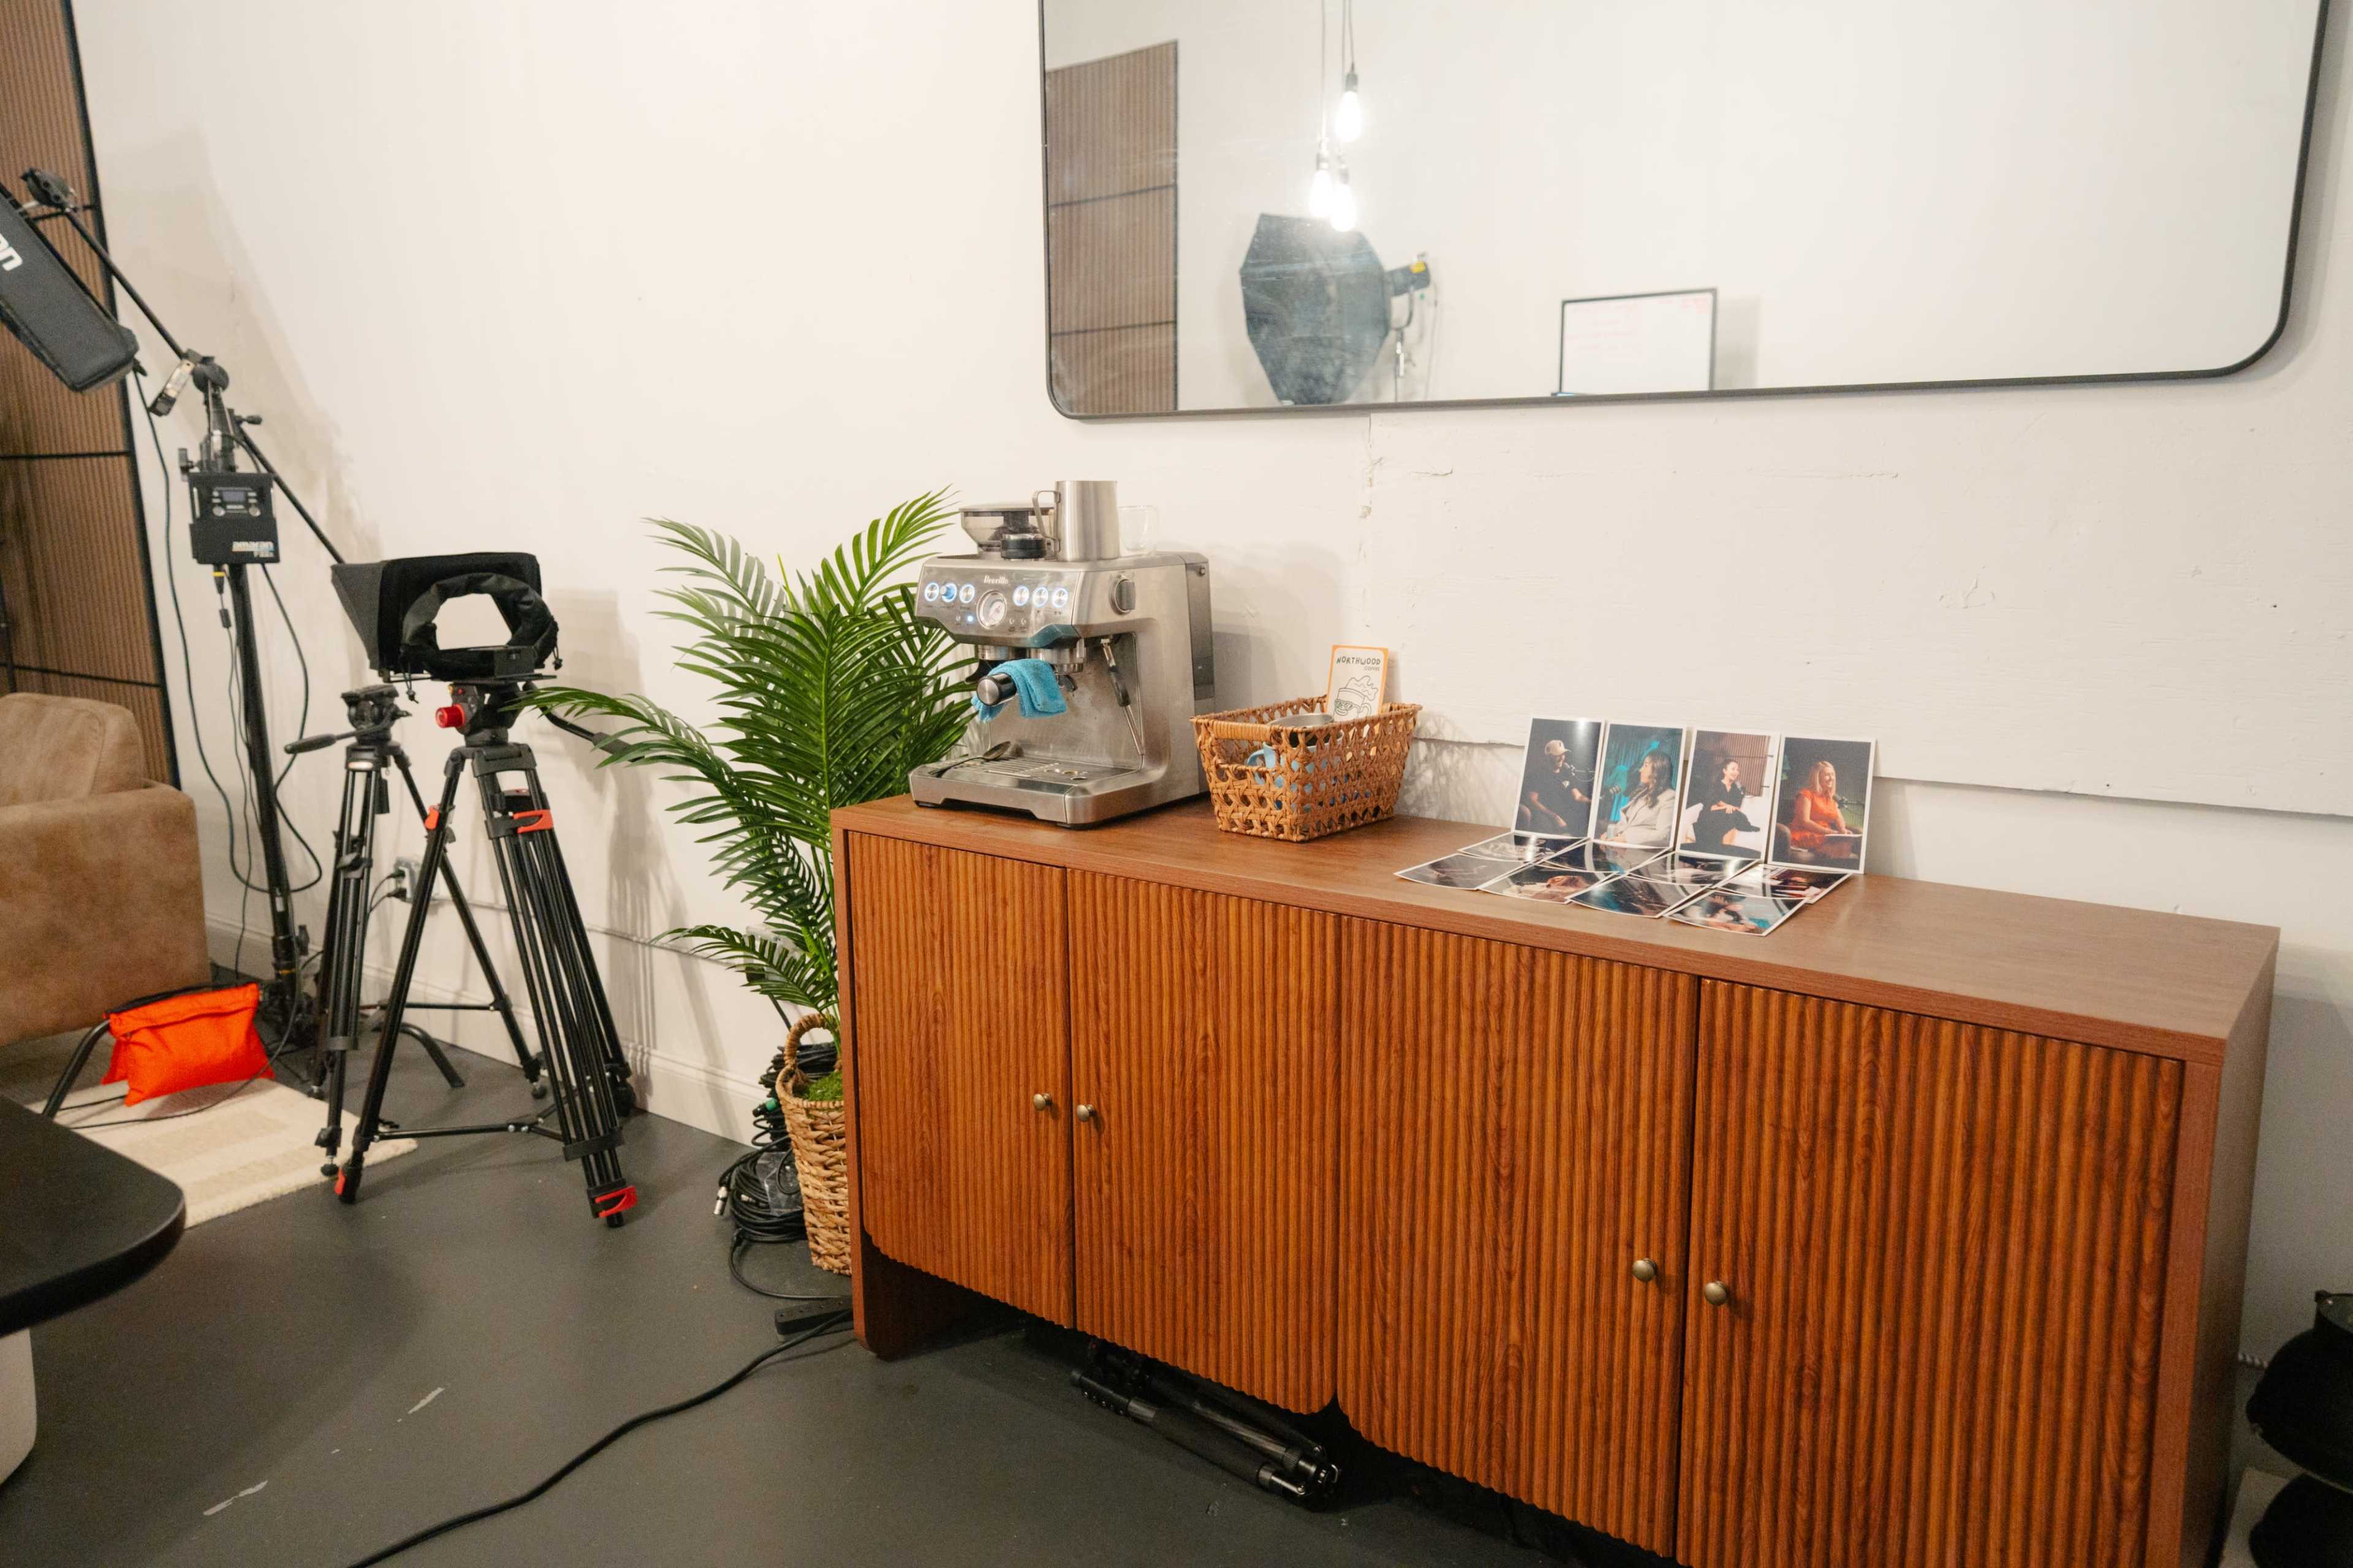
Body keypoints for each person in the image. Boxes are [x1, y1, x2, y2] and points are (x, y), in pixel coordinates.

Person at [1784, 759, 1859, 863]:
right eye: (1827, 775)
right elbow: (1805, 822)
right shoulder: (1806, 794)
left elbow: (1838, 818)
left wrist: (1843, 830)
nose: (1831, 778)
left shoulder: (1831, 797)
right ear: (1818, 777)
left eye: (1833, 775)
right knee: (1837, 843)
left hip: (1825, 834)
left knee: (1846, 840)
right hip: (1805, 832)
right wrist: (1831, 832)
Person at [1601, 746, 1677, 846]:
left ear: (1658, 769)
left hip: (1640, 855)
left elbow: (1664, 835)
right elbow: (1627, 824)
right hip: (1621, 851)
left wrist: (1627, 839)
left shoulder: (1670, 796)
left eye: (1645, 766)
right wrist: (1611, 833)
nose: (1640, 770)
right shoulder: (1641, 793)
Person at [1517, 737, 1592, 836]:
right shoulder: (1537, 774)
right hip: (1547, 816)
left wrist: (1593, 803)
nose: (1562, 758)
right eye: (1558, 755)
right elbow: (1532, 801)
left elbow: (1578, 796)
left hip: (1565, 815)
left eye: (1563, 754)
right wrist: (1555, 817)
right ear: (1548, 757)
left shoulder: (1566, 773)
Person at [1683, 754, 1756, 854]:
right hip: (1708, 817)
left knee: (1733, 816)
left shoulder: (1736, 790)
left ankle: (1725, 852)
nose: (1736, 772)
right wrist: (1727, 807)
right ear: (1725, 771)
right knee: (1732, 816)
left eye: (1738, 770)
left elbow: (1737, 808)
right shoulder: (1715, 785)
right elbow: (1711, 808)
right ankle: (1725, 852)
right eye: (1733, 769)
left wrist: (1727, 808)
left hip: (1727, 817)